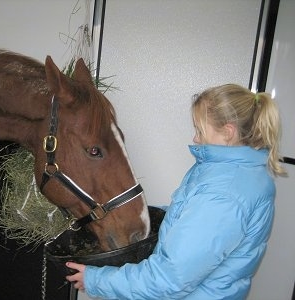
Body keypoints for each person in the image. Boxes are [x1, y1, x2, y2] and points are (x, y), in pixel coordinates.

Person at [65, 83, 287, 299]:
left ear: (228, 133)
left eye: (199, 129)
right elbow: (195, 216)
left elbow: (169, 279)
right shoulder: (234, 173)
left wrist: (96, 280)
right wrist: (147, 213)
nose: (195, 138)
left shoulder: (224, 194)